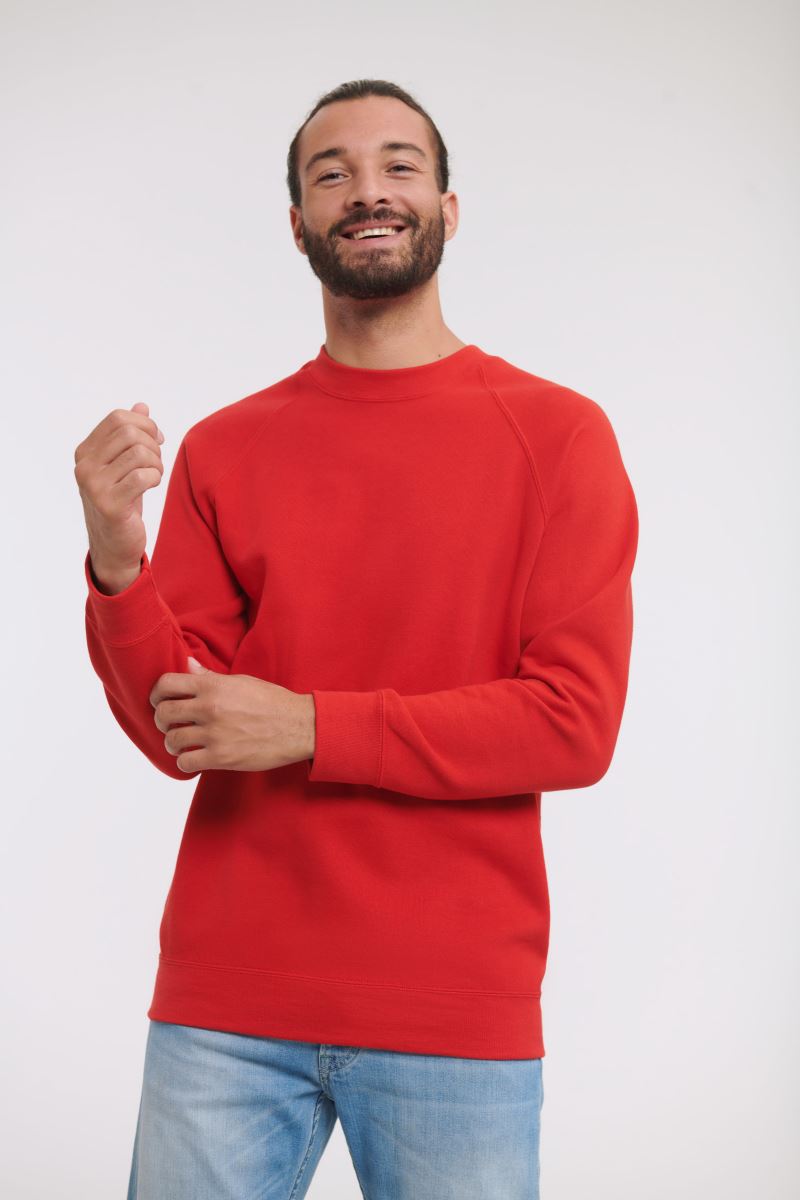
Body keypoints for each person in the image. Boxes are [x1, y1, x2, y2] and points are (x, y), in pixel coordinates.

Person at [74, 78, 639, 1200]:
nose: (367, 191)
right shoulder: (228, 447)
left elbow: (572, 725)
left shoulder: (558, 437)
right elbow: (179, 727)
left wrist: (308, 726)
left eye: (398, 166)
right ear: (297, 225)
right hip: (226, 1003)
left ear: (447, 208)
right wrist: (117, 562)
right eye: (331, 174)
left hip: (451, 1004)